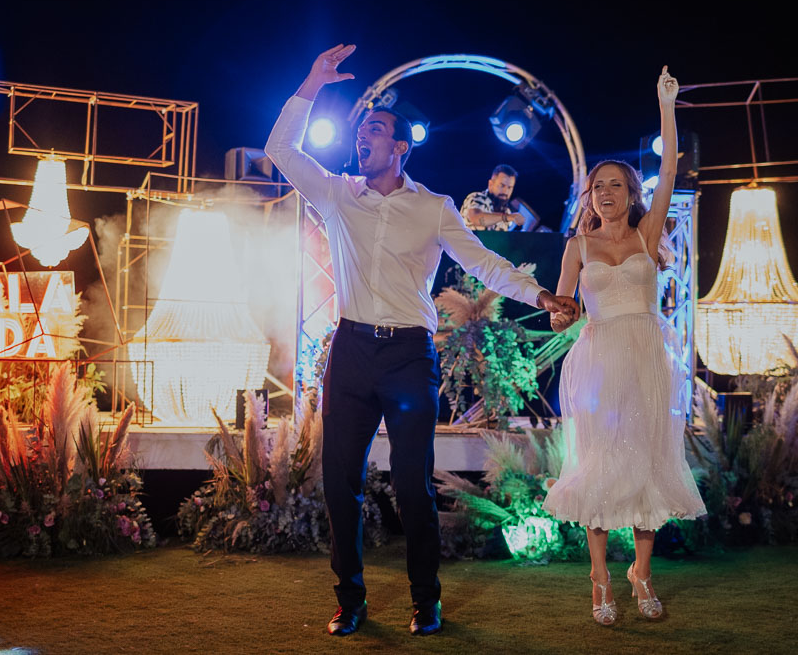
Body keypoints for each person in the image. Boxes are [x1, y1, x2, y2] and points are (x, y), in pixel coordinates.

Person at [264, 45, 579, 637]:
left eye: (375, 131)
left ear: (401, 147)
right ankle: (350, 600)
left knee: (412, 484)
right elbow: (282, 149)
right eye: (361, 130)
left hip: (410, 356)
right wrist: (310, 84)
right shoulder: (336, 193)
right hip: (352, 352)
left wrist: (540, 297)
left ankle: (425, 600)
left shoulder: (433, 208)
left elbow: (484, 263)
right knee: (340, 484)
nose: (363, 137)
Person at [542, 67, 705, 625]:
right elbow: (564, 314)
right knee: (598, 462)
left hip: (646, 354)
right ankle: (599, 578)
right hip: (597, 357)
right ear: (588, 197)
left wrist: (667, 106)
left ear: (629, 193)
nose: (605, 192)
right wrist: (555, 309)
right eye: (597, 186)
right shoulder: (577, 245)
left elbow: (669, 172)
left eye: (615, 184)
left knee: (645, 458)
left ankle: (642, 572)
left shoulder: (646, 232)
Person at [461, 164, 526, 231]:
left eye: (509, 187)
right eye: (502, 186)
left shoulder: (506, 211)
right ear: (490, 184)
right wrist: (507, 217)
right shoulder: (477, 197)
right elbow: (475, 218)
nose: (505, 191)